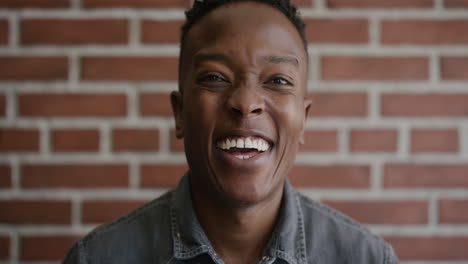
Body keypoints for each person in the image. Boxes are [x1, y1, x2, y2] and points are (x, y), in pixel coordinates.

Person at [63, 0, 399, 263]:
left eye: (277, 81)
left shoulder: (365, 258)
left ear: (303, 120)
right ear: (179, 113)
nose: (246, 103)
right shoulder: (97, 258)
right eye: (215, 77)